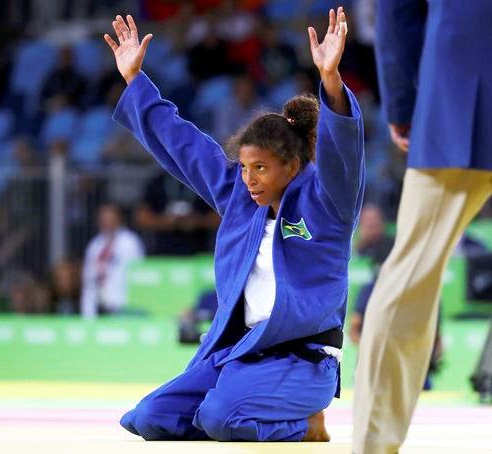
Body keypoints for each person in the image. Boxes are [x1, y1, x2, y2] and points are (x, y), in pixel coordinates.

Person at [104, 9, 364, 442]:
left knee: (221, 418)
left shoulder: (327, 203)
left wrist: (332, 80)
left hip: (303, 360)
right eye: (244, 167)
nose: (249, 179)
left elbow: (344, 158)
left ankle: (305, 422)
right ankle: (238, 403)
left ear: (293, 166)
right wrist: (135, 80)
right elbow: (184, 144)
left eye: (261, 168)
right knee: (148, 418)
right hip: (237, 353)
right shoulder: (240, 197)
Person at [352, 2, 492, 453]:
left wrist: (404, 101)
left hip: (465, 79)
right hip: (468, 80)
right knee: (408, 279)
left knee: (409, 277)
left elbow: (396, 11)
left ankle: (372, 446)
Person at [80, 203, 144, 318]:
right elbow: (88, 277)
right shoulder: (95, 245)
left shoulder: (129, 242)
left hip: (124, 305)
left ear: (119, 219)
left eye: (110, 218)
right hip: (97, 304)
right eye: (103, 219)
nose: (106, 222)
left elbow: (137, 275)